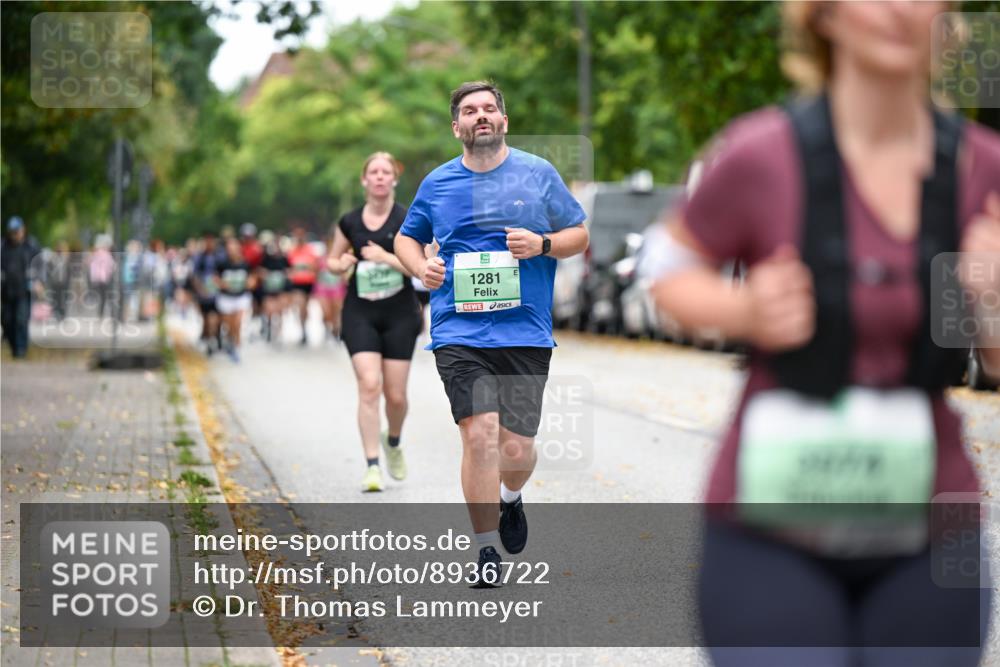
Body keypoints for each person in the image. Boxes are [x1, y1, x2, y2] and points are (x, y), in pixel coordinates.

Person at [651, 3, 1000, 665]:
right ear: (824, 16)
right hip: (769, 526)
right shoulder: (760, 153)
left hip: (930, 532)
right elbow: (666, 267)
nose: (898, 8)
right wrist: (743, 309)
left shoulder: (985, 168)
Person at [395, 82, 589, 586]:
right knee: (479, 436)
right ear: (456, 126)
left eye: (488, 109)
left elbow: (579, 234)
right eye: (468, 111)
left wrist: (543, 243)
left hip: (525, 331)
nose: (480, 116)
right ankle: (485, 551)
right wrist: (422, 268)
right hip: (458, 330)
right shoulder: (437, 183)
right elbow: (406, 237)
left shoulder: (537, 173)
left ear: (503, 120)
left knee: (516, 449)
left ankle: (510, 498)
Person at [328, 152, 422, 492]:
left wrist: (384, 257)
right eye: (374, 172)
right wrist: (339, 265)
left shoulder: (408, 219)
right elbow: (333, 259)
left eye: (386, 172)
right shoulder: (349, 221)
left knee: (396, 396)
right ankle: (371, 466)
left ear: (394, 179)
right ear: (364, 180)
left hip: (400, 313)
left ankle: (393, 441)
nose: (380, 177)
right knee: (369, 385)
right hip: (359, 312)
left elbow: (422, 266)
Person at [1, 217, 41, 357]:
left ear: (23, 230)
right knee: (7, 320)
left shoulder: (31, 246)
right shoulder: (3, 246)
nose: (15, 235)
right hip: (6, 290)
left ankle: (21, 350)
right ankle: (14, 346)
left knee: (21, 319)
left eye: (17, 231)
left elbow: (40, 265)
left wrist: (38, 281)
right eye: (12, 232)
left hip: (24, 289)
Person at [215, 237, 254, 363]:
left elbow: (252, 278)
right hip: (226, 298)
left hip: (241, 297)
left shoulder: (245, 263)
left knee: (237, 323)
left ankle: (236, 348)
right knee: (229, 325)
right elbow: (215, 278)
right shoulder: (222, 263)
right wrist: (222, 283)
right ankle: (229, 342)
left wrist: (250, 283)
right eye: (229, 248)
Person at [286, 226, 320, 346]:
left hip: (309, 282)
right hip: (297, 283)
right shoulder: (291, 251)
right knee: (300, 306)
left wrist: (308, 268)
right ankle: (303, 330)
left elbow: (316, 267)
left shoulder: (310, 250)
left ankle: (304, 325)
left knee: (305, 308)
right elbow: (287, 268)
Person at [192, 233, 224, 356]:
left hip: (217, 293)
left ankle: (215, 337)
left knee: (215, 318)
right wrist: (200, 290)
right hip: (204, 293)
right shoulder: (200, 258)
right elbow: (195, 276)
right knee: (206, 318)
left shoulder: (219, 257)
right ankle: (209, 338)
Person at [257, 230, 290, 343]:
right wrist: (266, 275)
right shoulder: (266, 258)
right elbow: (260, 270)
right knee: (269, 310)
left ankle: (278, 332)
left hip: (281, 288)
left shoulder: (284, 258)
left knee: (280, 311)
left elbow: (289, 271)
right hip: (269, 288)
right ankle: (269, 328)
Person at [315, 229, 346, 342]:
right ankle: (327, 328)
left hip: (337, 288)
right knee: (326, 312)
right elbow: (316, 273)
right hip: (323, 288)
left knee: (336, 311)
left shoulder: (342, 256)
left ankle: (336, 330)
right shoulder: (320, 258)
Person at [88, 234, 115, 320]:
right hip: (105, 279)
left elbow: (91, 266)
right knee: (105, 296)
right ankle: (106, 313)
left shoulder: (95, 254)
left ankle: (100, 313)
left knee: (101, 297)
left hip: (97, 279)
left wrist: (93, 277)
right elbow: (112, 266)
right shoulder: (107, 255)